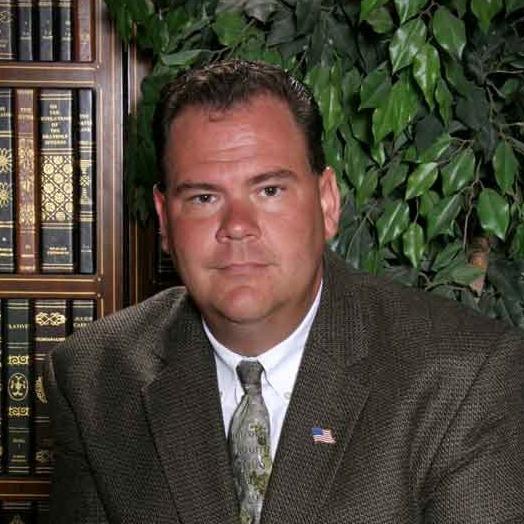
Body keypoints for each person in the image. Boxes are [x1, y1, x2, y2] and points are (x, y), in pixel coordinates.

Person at [44, 59, 524, 523]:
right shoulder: (93, 378)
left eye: (269, 190)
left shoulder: (467, 375)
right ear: (166, 219)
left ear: (328, 202)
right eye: (204, 197)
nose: (237, 227)